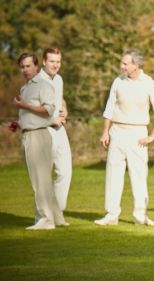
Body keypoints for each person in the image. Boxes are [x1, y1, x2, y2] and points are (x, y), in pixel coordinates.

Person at [95, 48, 154, 227]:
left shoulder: (149, 83)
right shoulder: (117, 82)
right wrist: (105, 131)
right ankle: (111, 215)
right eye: (122, 62)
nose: (122, 66)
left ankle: (140, 215)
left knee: (139, 175)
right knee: (113, 173)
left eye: (126, 63)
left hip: (138, 135)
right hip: (117, 132)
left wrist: (152, 136)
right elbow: (109, 109)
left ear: (136, 65)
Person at [14, 53, 66, 230]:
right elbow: (29, 115)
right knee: (42, 179)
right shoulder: (24, 89)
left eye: (28, 66)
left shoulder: (43, 85)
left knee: (39, 180)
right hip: (28, 134)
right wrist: (18, 123)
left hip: (39, 135)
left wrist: (25, 106)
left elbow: (48, 110)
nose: (25, 70)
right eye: (22, 67)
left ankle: (46, 220)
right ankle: (57, 218)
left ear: (36, 66)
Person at [39, 47, 72, 214]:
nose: (55, 65)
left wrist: (64, 108)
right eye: (51, 61)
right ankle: (43, 216)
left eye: (58, 61)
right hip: (43, 131)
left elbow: (60, 98)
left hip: (60, 131)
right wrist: (51, 120)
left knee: (65, 171)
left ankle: (57, 212)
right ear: (44, 61)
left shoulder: (58, 79)